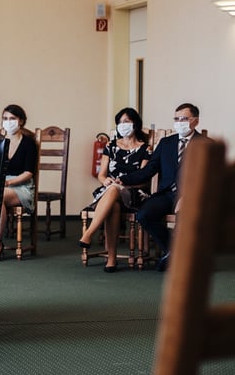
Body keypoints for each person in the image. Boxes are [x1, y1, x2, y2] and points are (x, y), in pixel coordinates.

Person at [117, 103, 204, 272]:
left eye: (184, 119)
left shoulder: (205, 144)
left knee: (186, 215)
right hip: (166, 194)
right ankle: (175, 251)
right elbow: (149, 170)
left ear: (195, 121)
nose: (179, 122)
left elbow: (206, 177)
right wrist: (123, 179)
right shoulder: (166, 143)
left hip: (191, 195)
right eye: (176, 119)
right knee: (144, 215)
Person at [79, 107, 150, 272]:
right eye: (119, 122)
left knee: (114, 190)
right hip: (110, 192)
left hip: (133, 192)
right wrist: (106, 181)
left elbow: (144, 178)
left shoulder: (145, 149)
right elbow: (101, 175)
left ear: (136, 124)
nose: (122, 125)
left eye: (126, 121)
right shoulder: (111, 146)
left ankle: (89, 233)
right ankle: (111, 259)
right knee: (114, 205)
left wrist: (122, 184)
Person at [0, 105, 37, 259]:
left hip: (21, 186)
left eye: (12, 118)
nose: (8, 122)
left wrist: (7, 184)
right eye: (5, 118)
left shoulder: (29, 143)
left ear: (21, 121)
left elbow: (28, 173)